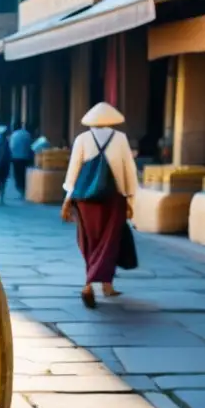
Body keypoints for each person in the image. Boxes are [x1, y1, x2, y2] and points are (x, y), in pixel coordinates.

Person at [60, 102, 139, 309]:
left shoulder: (82, 139)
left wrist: (68, 199)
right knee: (109, 242)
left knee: (89, 241)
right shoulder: (120, 139)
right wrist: (130, 198)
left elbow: (74, 170)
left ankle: (104, 285)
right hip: (113, 199)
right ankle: (90, 285)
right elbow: (128, 169)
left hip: (85, 200)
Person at [9, 122, 33, 196]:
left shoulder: (14, 135)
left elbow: (11, 146)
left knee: (17, 173)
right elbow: (30, 145)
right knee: (24, 173)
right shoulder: (27, 134)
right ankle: (24, 186)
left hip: (16, 157)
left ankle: (20, 187)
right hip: (26, 157)